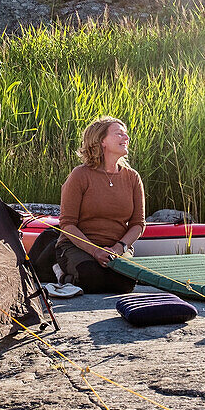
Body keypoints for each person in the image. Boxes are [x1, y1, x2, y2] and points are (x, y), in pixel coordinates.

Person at [56, 116, 145, 293]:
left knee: (124, 284)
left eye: (125, 134)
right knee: (91, 278)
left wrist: (119, 248)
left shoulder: (132, 177)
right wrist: (95, 251)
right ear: (101, 141)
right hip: (78, 246)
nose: (126, 138)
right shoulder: (80, 175)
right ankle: (60, 273)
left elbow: (138, 224)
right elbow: (67, 224)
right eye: (119, 134)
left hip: (117, 247)